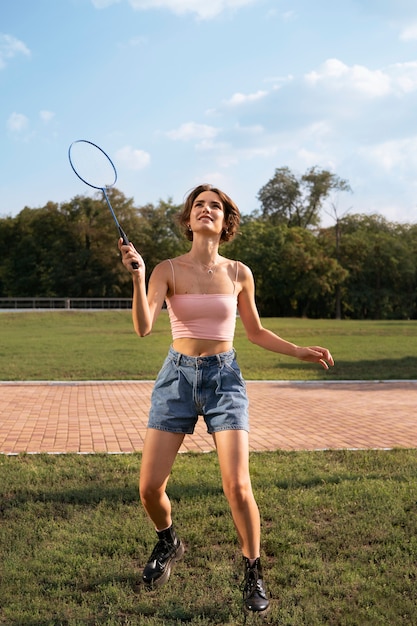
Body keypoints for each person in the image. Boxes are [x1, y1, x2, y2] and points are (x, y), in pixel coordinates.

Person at [119, 184, 334, 614]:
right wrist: (139, 276)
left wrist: (298, 350)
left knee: (237, 485)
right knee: (148, 489)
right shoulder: (167, 269)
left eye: (214, 205)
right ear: (188, 218)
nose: (206, 209)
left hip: (224, 380)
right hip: (176, 379)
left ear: (225, 221)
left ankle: (252, 570)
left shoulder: (238, 273)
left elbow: (254, 332)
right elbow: (144, 327)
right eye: (199, 204)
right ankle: (169, 540)